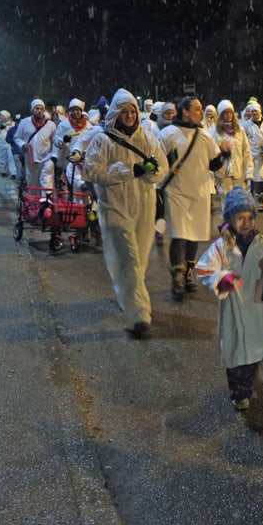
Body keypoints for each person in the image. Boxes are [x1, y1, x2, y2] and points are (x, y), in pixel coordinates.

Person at [195, 187, 263, 411]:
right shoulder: (221, 247)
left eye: (250, 217)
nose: (246, 222)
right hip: (235, 308)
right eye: (240, 217)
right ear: (230, 218)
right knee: (237, 353)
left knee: (255, 353)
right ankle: (239, 391)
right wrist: (220, 278)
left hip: (259, 308)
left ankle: (247, 380)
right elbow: (202, 270)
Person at [83, 88, 168, 340]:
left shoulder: (148, 138)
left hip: (144, 208)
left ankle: (127, 296)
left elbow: (161, 168)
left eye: (132, 111)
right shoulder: (102, 140)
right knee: (130, 260)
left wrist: (151, 171)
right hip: (115, 210)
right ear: (115, 114)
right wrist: (129, 170)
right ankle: (138, 316)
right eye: (124, 112)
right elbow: (92, 172)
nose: (129, 116)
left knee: (138, 263)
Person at [157, 96, 224, 302]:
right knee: (179, 234)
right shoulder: (168, 134)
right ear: (185, 111)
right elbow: (158, 163)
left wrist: (224, 154)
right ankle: (177, 276)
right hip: (176, 192)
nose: (200, 112)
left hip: (200, 193)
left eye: (201, 108)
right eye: (197, 109)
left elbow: (215, 164)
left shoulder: (204, 136)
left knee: (194, 234)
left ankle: (188, 273)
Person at [210, 99, 253, 196]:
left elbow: (246, 151)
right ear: (221, 115)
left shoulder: (239, 130)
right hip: (223, 173)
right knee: (226, 199)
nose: (228, 115)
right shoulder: (214, 131)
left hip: (238, 172)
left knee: (239, 200)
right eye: (225, 113)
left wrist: (249, 172)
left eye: (230, 112)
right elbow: (211, 153)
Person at [46, 98, 91, 190]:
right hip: (66, 161)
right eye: (73, 110)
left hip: (83, 161)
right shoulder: (64, 125)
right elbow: (56, 140)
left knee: (83, 187)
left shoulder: (88, 126)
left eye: (77, 110)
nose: (75, 112)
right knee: (68, 185)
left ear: (81, 111)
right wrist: (63, 140)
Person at [14, 98, 57, 186]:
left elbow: (54, 141)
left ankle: (46, 199)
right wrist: (22, 145)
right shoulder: (24, 123)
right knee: (32, 181)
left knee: (47, 181)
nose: (39, 111)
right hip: (30, 157)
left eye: (41, 109)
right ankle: (34, 199)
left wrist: (54, 155)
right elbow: (17, 137)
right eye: (37, 108)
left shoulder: (51, 125)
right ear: (32, 110)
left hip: (46, 157)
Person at [0, 110, 18, 179]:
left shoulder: (12, 123)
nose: (0, 117)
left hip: (10, 143)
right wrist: (0, 128)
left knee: (11, 157)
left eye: (2, 115)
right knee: (2, 157)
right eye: (0, 115)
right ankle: (3, 171)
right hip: (1, 142)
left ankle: (13, 172)